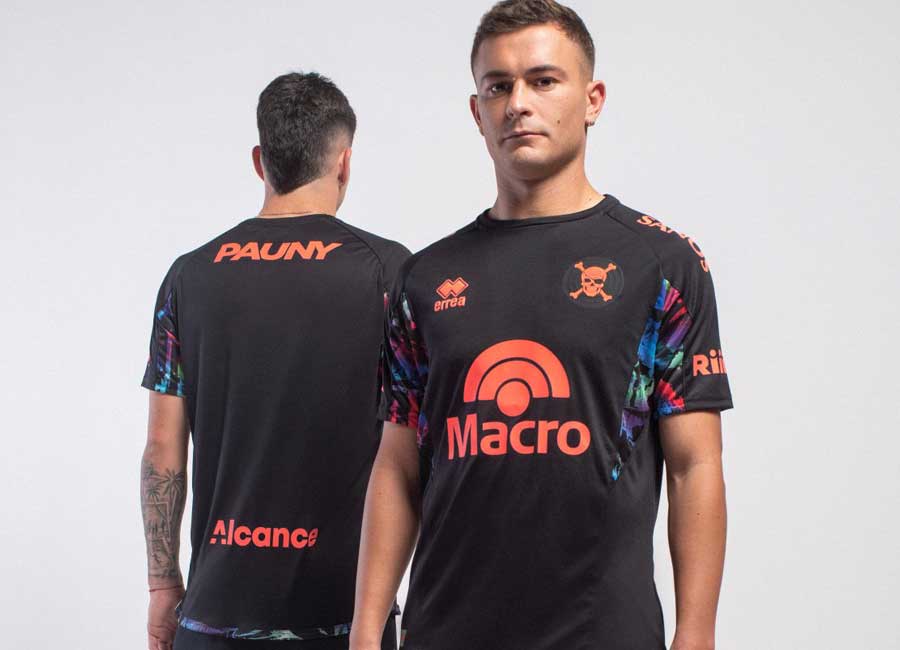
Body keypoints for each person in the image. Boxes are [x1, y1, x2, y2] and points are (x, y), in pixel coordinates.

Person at [349, 1, 733, 649]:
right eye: (498, 87)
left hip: (603, 633)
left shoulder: (662, 264)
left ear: (592, 99)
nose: (518, 104)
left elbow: (695, 464)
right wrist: (365, 633)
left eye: (543, 80)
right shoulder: (425, 278)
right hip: (446, 631)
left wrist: (696, 635)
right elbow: (397, 468)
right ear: (478, 112)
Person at [140, 71, 408, 650]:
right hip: (344, 618)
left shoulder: (190, 275)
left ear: (260, 161)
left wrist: (163, 586)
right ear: (344, 162)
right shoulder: (388, 272)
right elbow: (419, 450)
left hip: (215, 616)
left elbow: (163, 448)